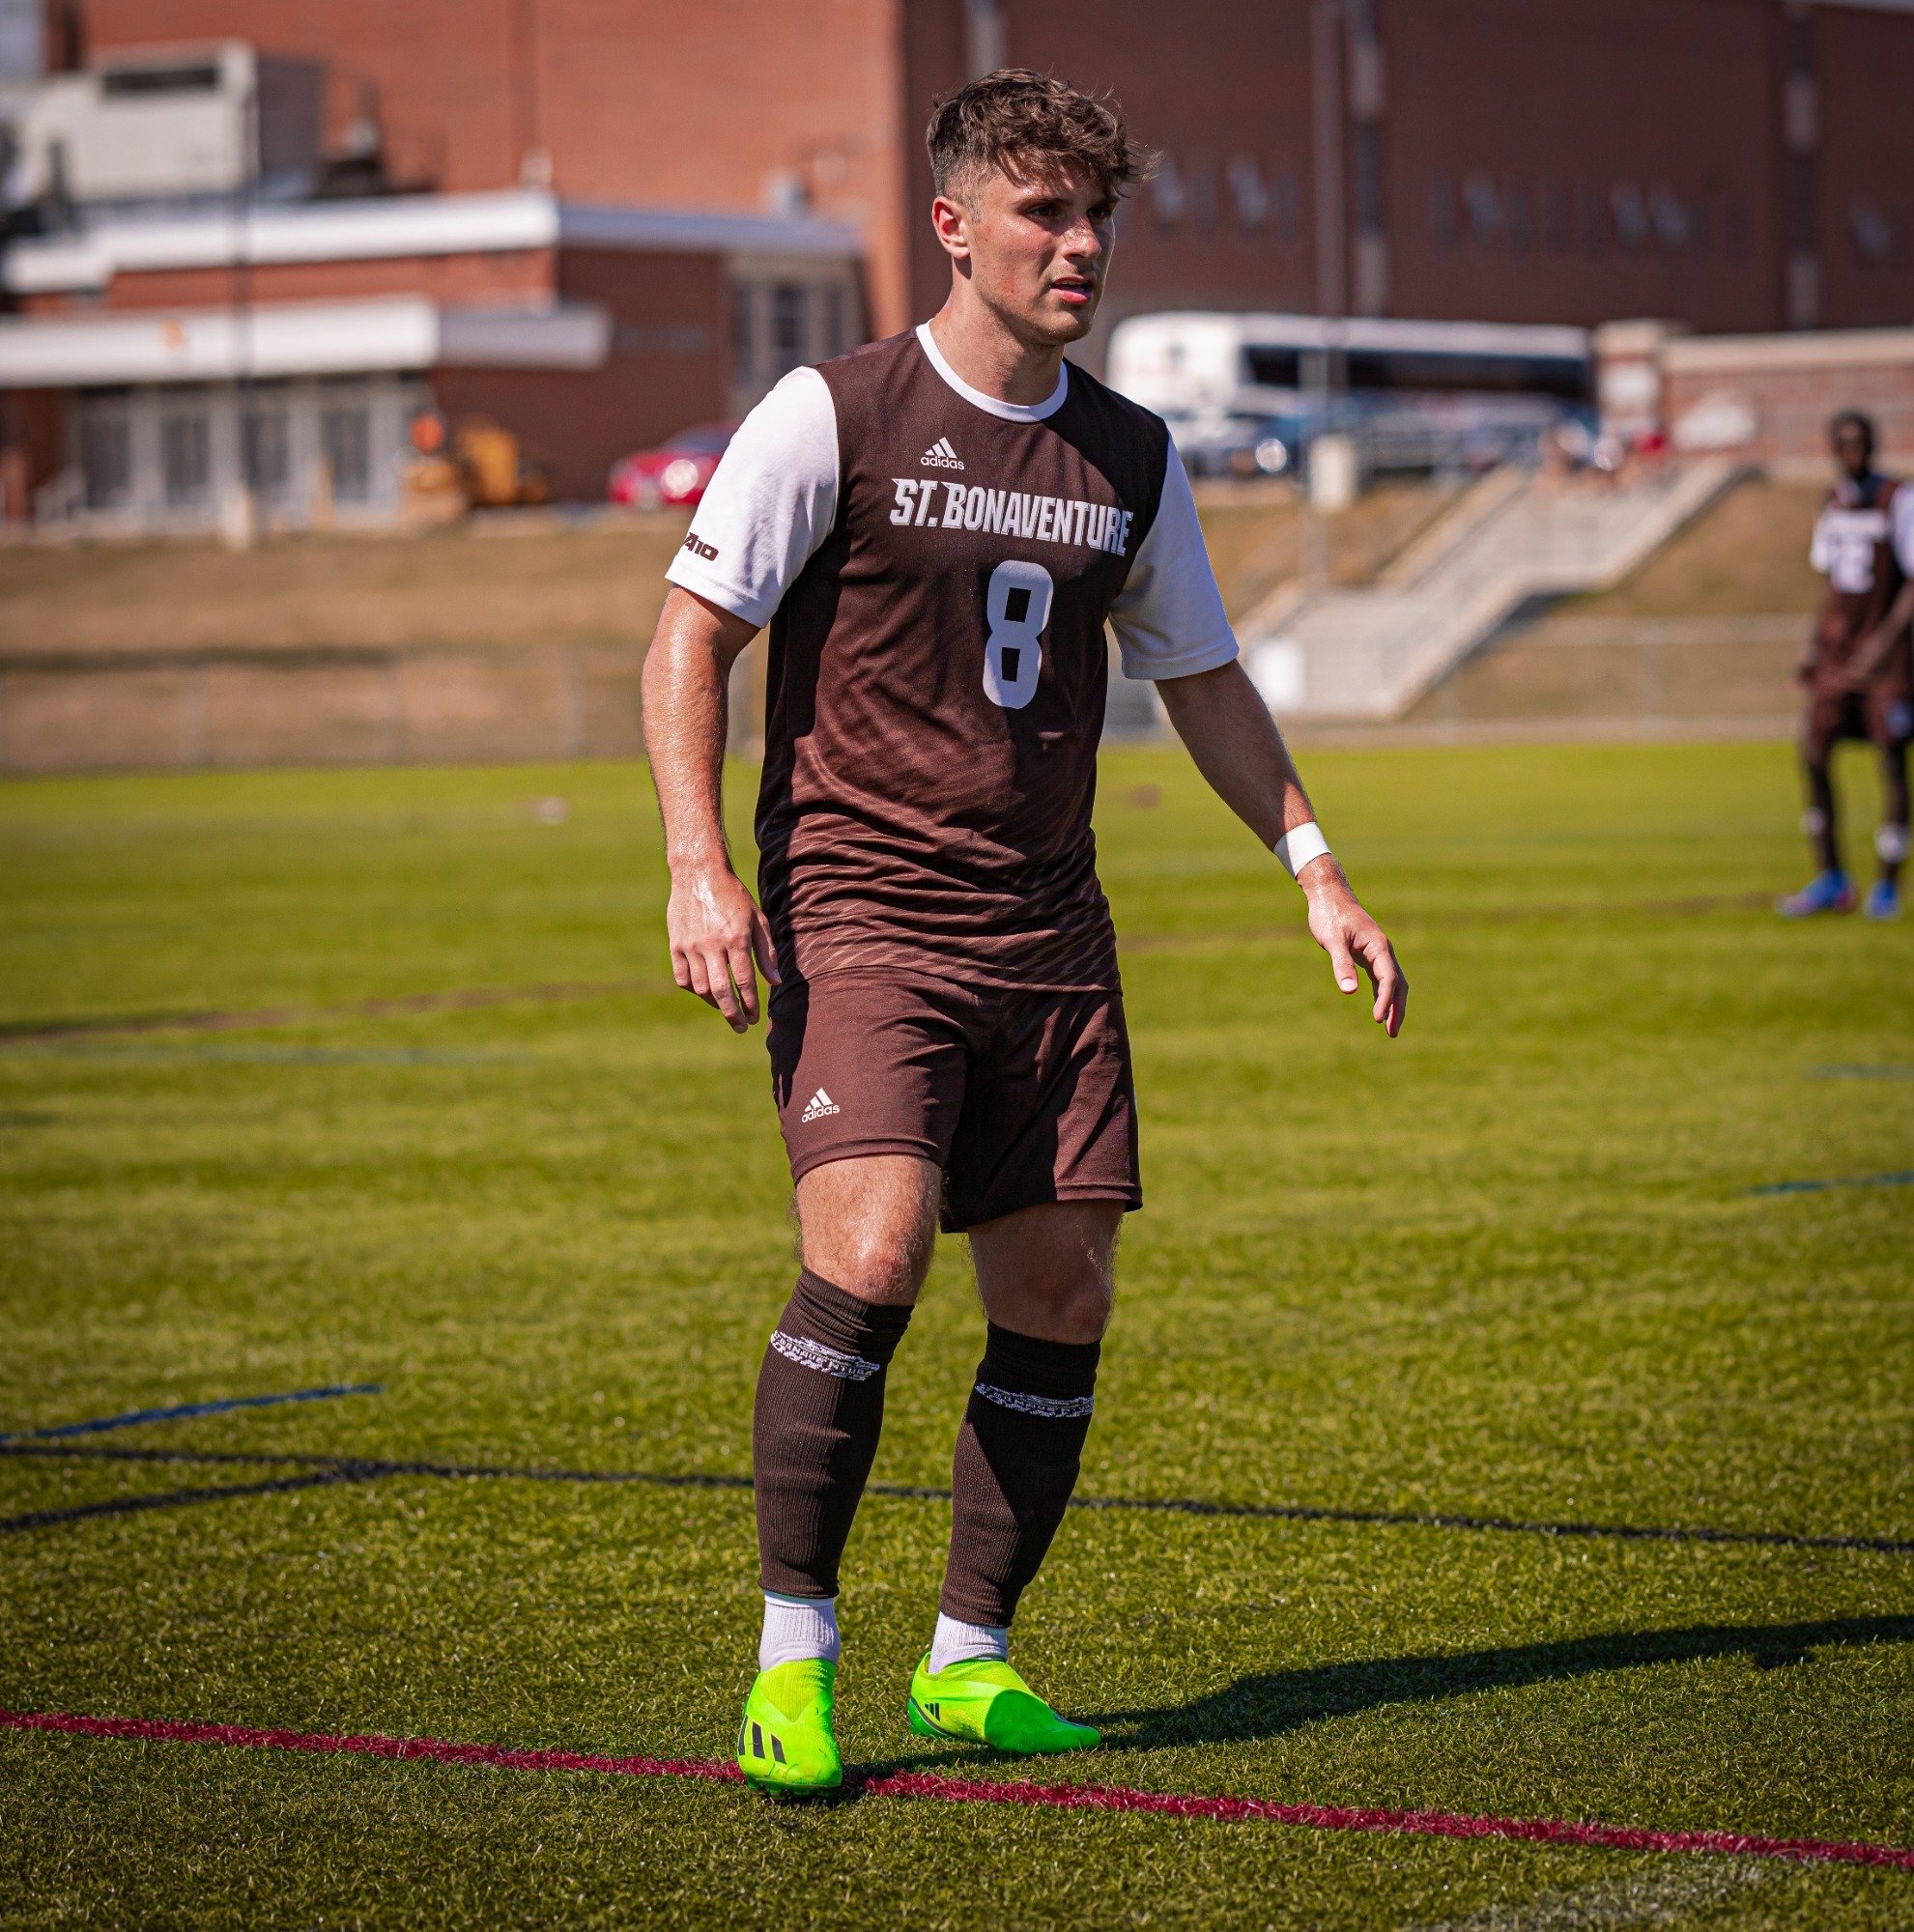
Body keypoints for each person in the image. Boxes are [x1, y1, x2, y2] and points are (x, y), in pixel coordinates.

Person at [642, 70, 1407, 1799]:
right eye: (1044, 213)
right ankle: (791, 1665)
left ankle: (969, 1661)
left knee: (1061, 1291)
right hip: (863, 908)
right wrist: (697, 866)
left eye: (1096, 217)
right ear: (953, 225)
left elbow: (1200, 675)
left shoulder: (1128, 453)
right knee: (873, 1254)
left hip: (1049, 929)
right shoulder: (831, 411)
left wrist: (1315, 865)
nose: (1080, 247)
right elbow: (691, 634)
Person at [1780, 410, 1912, 920]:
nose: (1852, 452)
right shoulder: (1832, 500)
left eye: (1859, 442)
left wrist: (1883, 644)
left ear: (1873, 444)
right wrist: (1813, 649)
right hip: (1836, 657)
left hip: (1887, 661)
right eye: (1843, 443)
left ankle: (1887, 884)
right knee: (1813, 754)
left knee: (1892, 760)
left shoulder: (1899, 499)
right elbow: (1831, 584)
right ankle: (1832, 878)